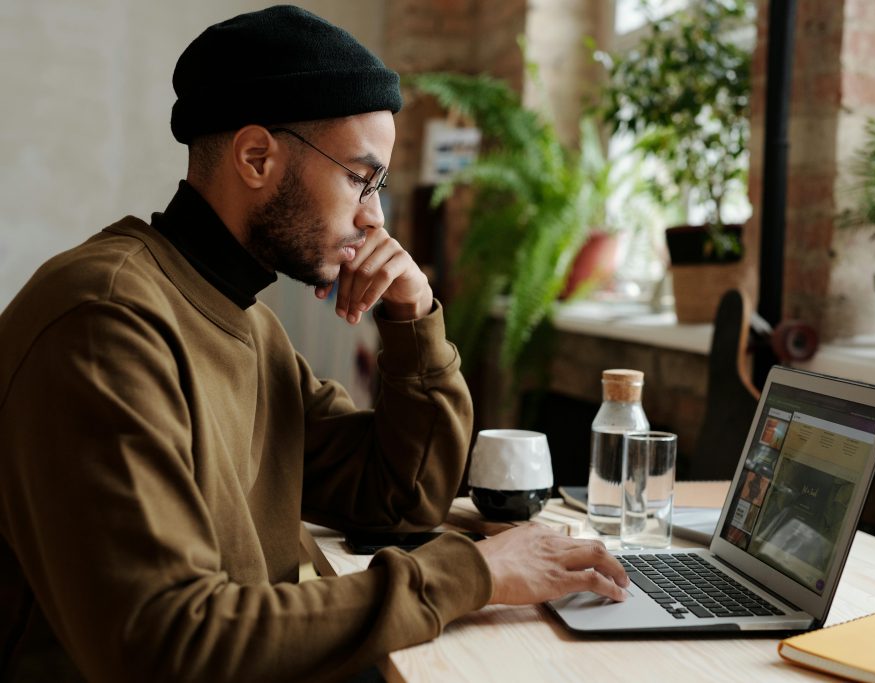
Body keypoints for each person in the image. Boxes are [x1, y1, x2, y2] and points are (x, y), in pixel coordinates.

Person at [0, 6, 627, 681]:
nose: (376, 217)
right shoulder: (107, 321)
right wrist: (470, 573)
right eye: (361, 178)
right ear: (256, 156)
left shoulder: (246, 323)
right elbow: (167, 644)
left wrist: (413, 319)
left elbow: (398, 495)